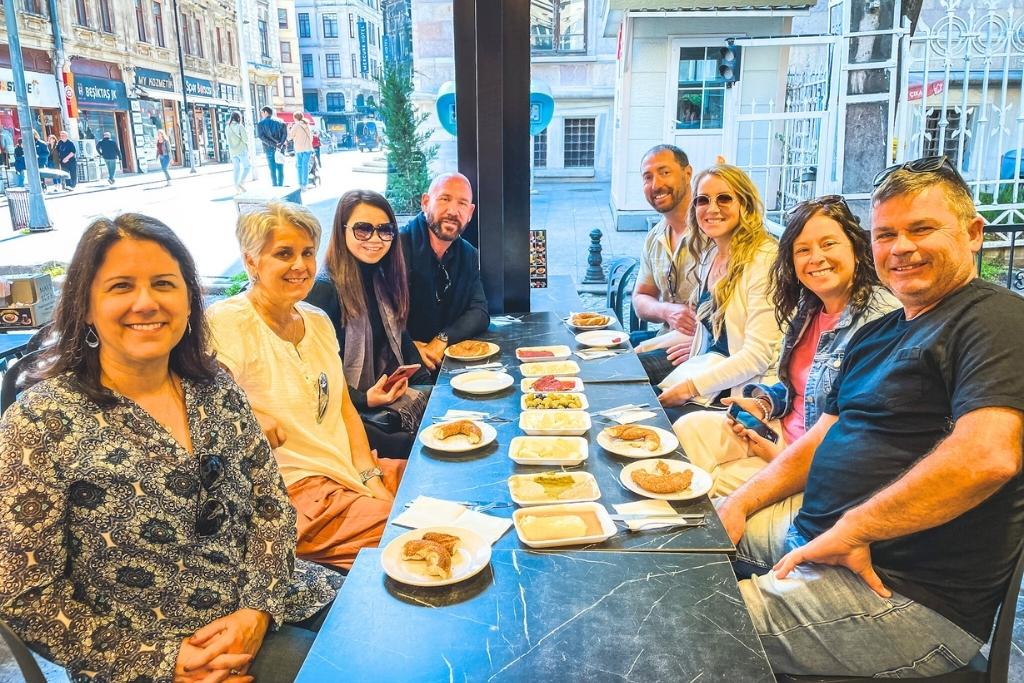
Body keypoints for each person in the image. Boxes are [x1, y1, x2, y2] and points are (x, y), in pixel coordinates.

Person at [0, 213, 341, 683]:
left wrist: (257, 611)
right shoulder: (40, 424)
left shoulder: (213, 385)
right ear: (84, 306)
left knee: (393, 627)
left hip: (272, 599)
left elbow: (270, 506)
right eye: (121, 286)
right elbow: (24, 593)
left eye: (164, 283)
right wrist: (164, 660)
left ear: (187, 300)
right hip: (146, 650)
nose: (146, 302)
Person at [717, 156, 1024, 677]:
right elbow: (823, 437)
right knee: (683, 534)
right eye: (886, 235)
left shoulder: (995, 317)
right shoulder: (878, 333)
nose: (901, 247)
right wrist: (739, 502)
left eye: (921, 229)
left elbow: (988, 456)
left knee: (693, 623)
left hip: (905, 593)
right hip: (816, 533)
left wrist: (855, 528)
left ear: (973, 233)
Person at [207, 202, 406, 571]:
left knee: (442, 488)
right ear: (251, 262)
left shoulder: (316, 320)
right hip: (294, 493)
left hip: (345, 470)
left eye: (307, 253)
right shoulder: (229, 320)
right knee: (416, 535)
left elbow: (344, 408)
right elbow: (208, 406)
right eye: (284, 253)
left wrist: (369, 476)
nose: (299, 265)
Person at [673, 195, 898, 496]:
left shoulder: (880, 319)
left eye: (828, 244)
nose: (816, 258)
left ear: (857, 249)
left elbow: (860, 433)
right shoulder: (809, 307)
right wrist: (766, 404)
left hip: (813, 462)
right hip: (779, 431)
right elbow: (802, 387)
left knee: (706, 484)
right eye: (803, 250)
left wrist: (778, 455)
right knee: (690, 430)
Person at [306, 190, 431, 459]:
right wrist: (366, 399)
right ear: (342, 231)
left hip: (384, 399)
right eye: (363, 229)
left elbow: (402, 340)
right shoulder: (324, 291)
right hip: (345, 413)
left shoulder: (383, 278)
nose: (375, 239)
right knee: (420, 448)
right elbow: (315, 376)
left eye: (384, 230)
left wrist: (426, 385)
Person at [655, 164, 782, 407]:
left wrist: (689, 388)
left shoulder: (764, 260)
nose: (712, 209)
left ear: (744, 205)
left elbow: (756, 357)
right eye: (703, 200)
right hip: (705, 370)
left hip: (740, 394)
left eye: (724, 198)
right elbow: (707, 336)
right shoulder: (711, 253)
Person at [400, 172, 489, 371]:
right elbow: (376, 316)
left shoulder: (468, 254)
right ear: (425, 202)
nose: (453, 211)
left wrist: (442, 339)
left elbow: (480, 312)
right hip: (398, 369)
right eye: (445, 199)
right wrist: (408, 346)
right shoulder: (397, 249)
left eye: (462, 203)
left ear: (470, 212)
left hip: (446, 365)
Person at [631, 145, 698, 357]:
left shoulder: (713, 229)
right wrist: (667, 311)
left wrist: (706, 345)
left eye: (664, 172)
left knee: (623, 372)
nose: (656, 185)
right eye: (647, 177)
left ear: (687, 174)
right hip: (667, 339)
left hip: (704, 352)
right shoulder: (655, 237)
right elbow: (640, 298)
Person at [257, 106, 287, 187]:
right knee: (280, 168)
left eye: (262, 113)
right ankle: (280, 186)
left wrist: (273, 144)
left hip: (269, 148)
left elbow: (261, 137)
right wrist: (280, 144)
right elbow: (285, 134)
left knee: (272, 169)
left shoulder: (261, 124)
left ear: (266, 112)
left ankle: (275, 186)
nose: (261, 115)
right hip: (280, 149)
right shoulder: (281, 121)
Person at [226, 111, 251, 193]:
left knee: (236, 169)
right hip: (241, 150)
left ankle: (237, 188)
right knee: (247, 167)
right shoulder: (240, 126)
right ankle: (241, 182)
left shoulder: (227, 127)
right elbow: (245, 139)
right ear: (239, 118)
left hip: (232, 151)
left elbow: (228, 140)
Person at [288, 112, 314, 190]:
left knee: (299, 166)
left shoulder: (296, 126)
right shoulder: (308, 125)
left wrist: (289, 128)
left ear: (295, 118)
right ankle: (305, 185)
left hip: (299, 149)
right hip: (308, 148)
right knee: (305, 166)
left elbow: (290, 137)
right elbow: (311, 138)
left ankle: (300, 184)